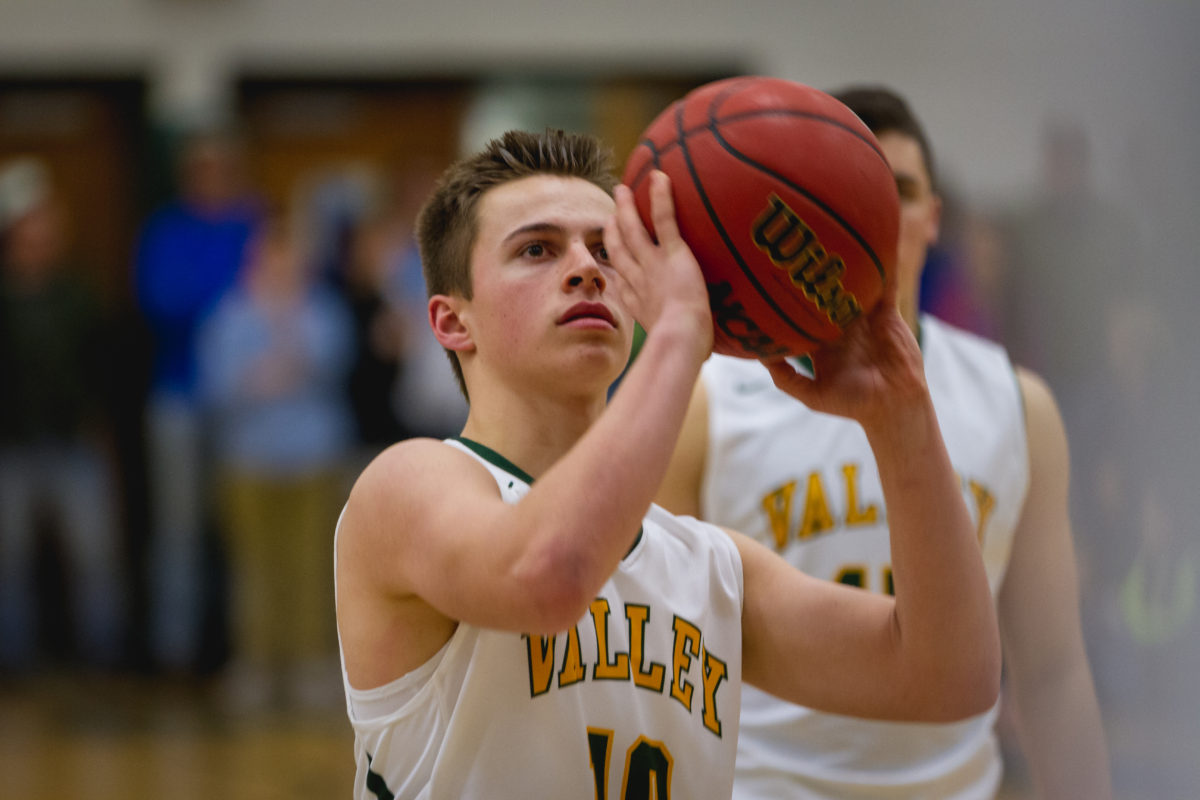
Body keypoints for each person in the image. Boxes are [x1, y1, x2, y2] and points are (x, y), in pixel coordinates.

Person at [333, 128, 1001, 799]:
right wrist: (681, 332)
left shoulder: (713, 569)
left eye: (605, 250)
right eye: (537, 249)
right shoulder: (410, 485)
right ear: (453, 322)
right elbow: (547, 577)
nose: (585, 268)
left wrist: (904, 419)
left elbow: (951, 678)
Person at [655, 87, 1111, 799]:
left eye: (900, 190)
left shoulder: (1019, 404)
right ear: (804, 209)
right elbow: (663, 663)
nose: (881, 211)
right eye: (854, 185)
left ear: (933, 220)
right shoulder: (706, 398)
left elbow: (1051, 670)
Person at [197, 210, 355, 709]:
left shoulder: (323, 310)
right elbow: (218, 386)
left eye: (292, 260)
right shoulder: (230, 314)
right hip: (249, 463)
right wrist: (259, 377)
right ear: (256, 260)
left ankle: (310, 667)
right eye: (273, 258)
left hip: (314, 458)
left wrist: (285, 339)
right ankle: (257, 666)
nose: (283, 268)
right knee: (254, 570)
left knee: (311, 567)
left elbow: (329, 363)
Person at [133, 129, 264, 671]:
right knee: (179, 530)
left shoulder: (253, 224)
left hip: (247, 405)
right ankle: (176, 653)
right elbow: (160, 301)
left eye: (221, 166)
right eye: (201, 167)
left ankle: (237, 648)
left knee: (242, 531)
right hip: (180, 398)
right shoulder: (165, 230)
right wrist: (228, 301)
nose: (211, 177)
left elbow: (275, 292)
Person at [0, 157, 127, 671]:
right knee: (9, 563)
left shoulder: (78, 294)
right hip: (10, 445)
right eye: (33, 221)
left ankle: (103, 659)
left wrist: (99, 428)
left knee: (95, 560)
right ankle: (14, 663)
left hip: (75, 441)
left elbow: (103, 370)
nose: (44, 232)